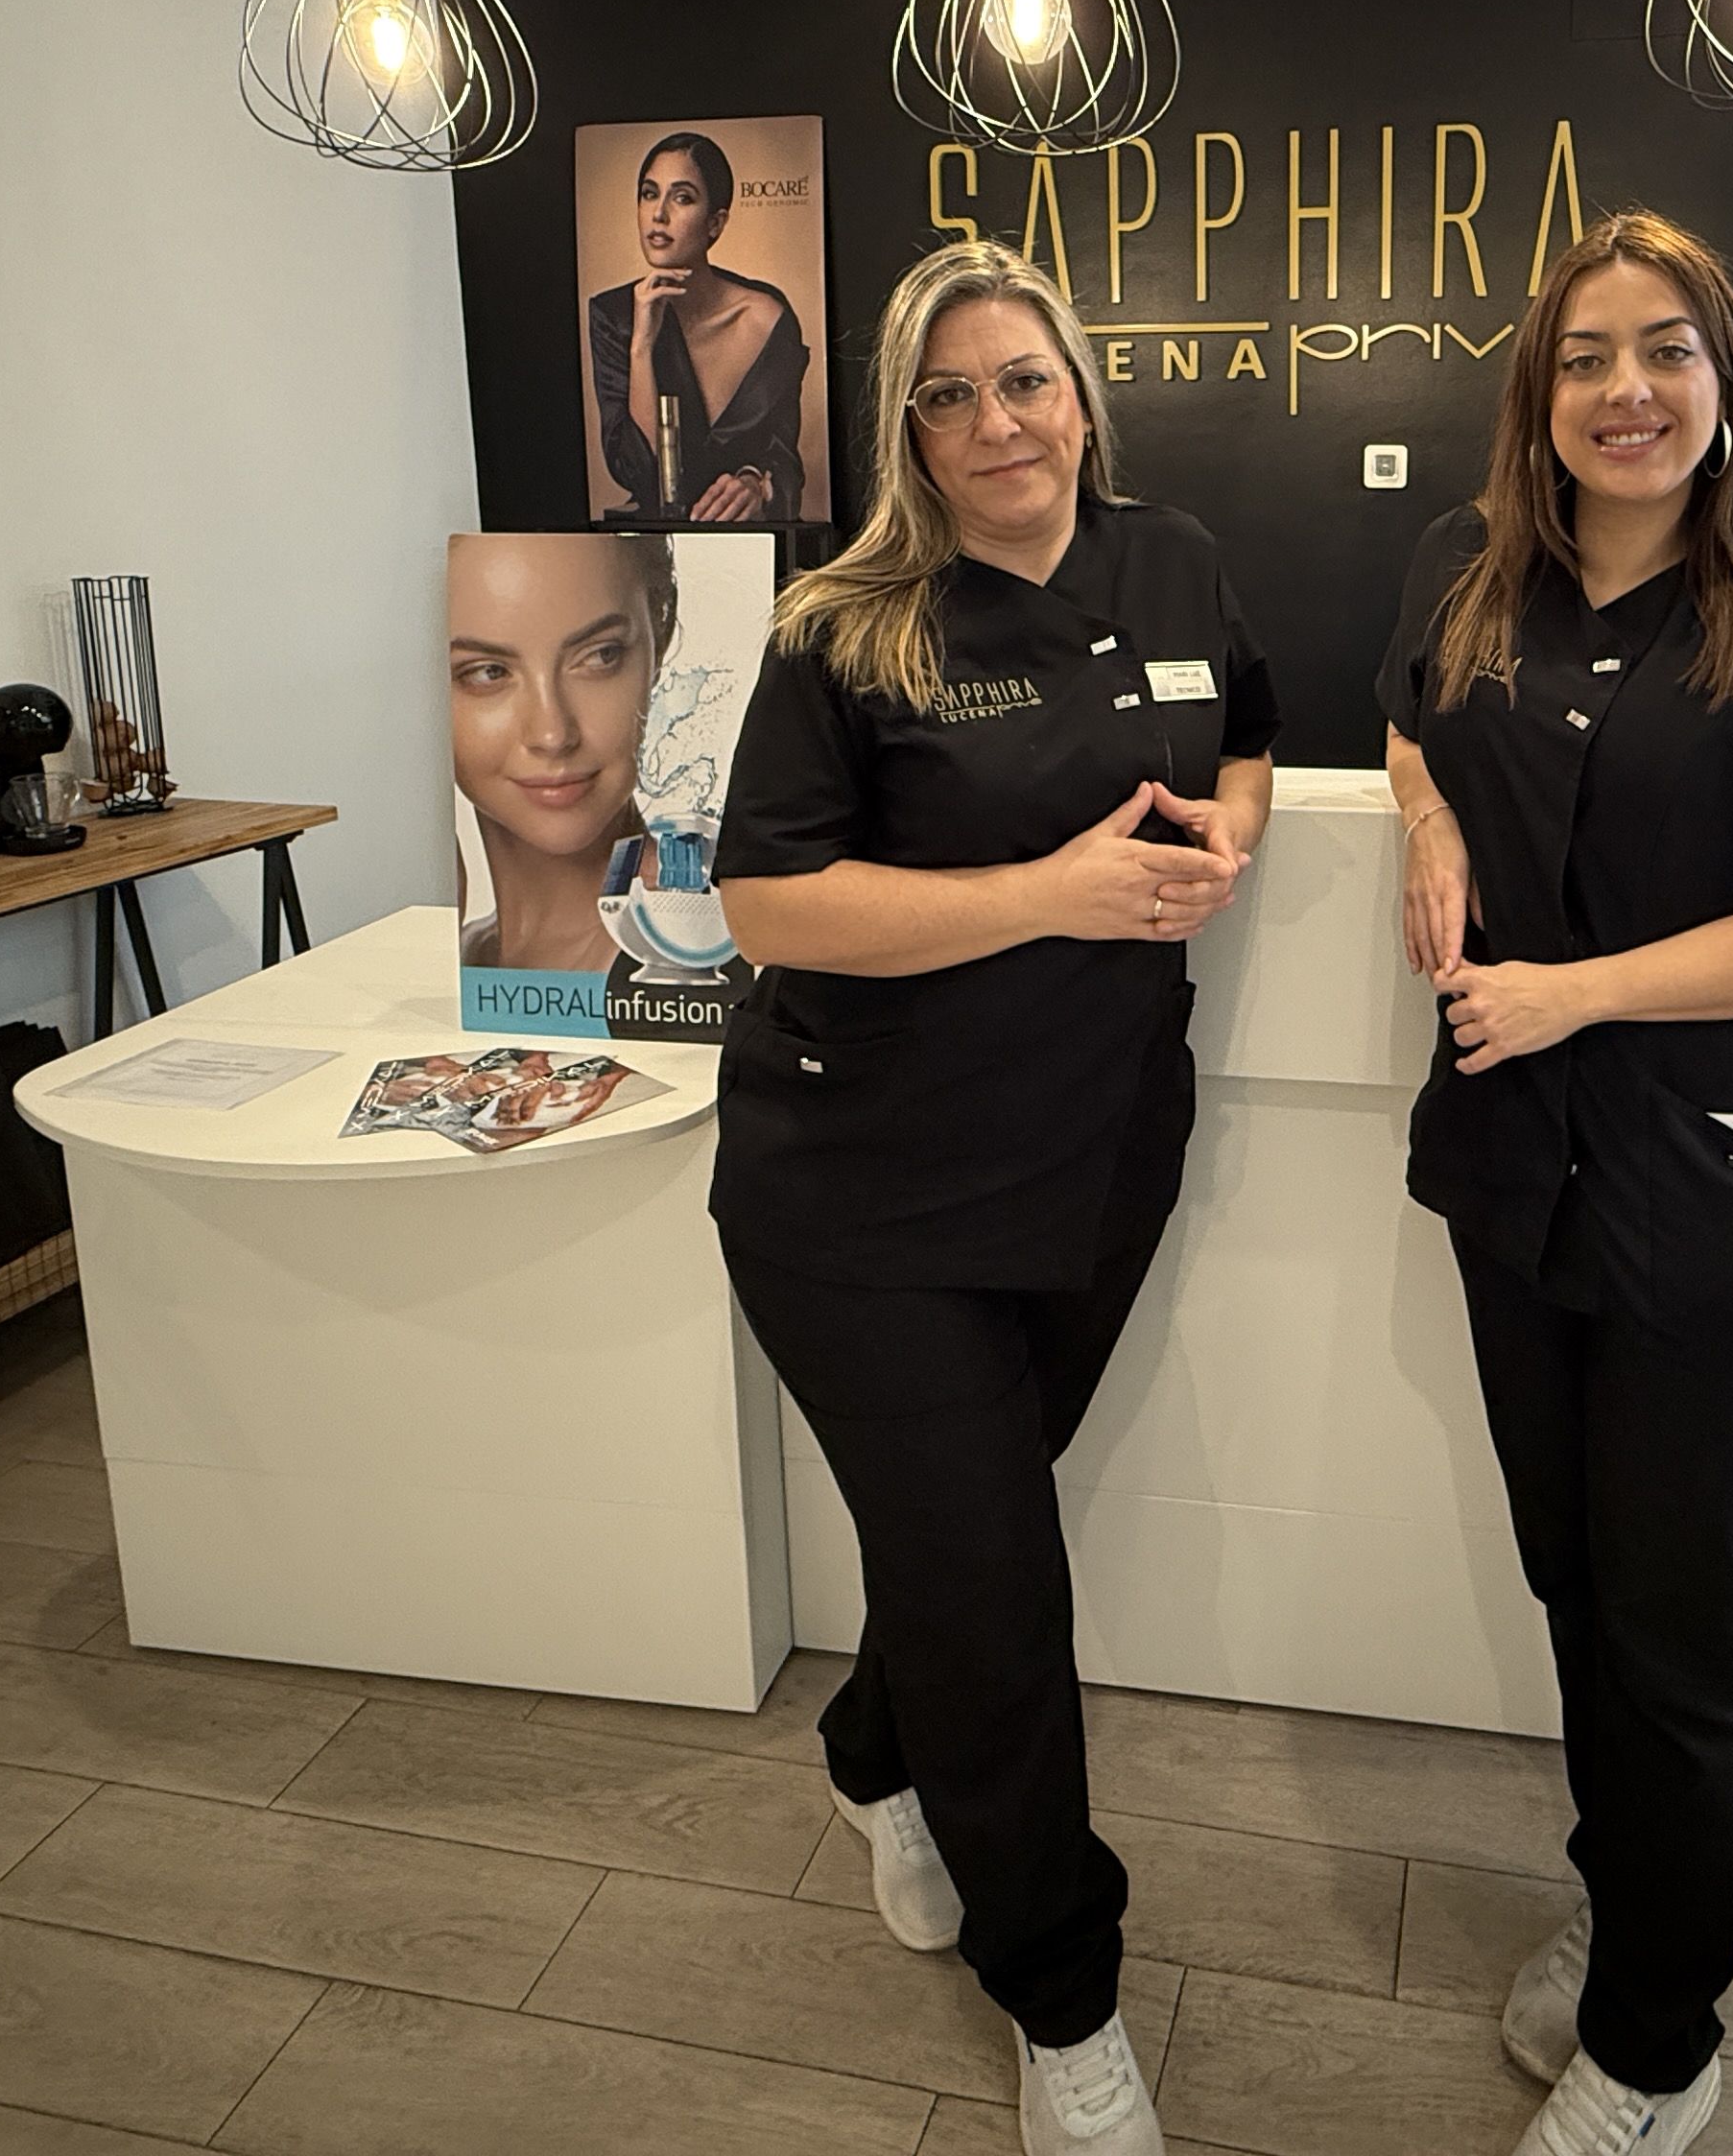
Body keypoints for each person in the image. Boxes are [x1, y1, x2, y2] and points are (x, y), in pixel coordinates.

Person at [712, 238, 1275, 2156]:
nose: (994, 421)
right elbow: (770, 901)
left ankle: (876, 1748)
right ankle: (1066, 2003)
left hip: (1098, 1151)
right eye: (946, 394)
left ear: (1080, 392)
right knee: (1001, 1595)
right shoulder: (843, 625)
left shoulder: (1172, 559)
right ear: (907, 429)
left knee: (967, 1552)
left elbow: (1250, 728)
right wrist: (1049, 893)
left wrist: (1229, 837)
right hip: (860, 1190)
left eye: (1022, 378)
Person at [1380, 212, 1733, 2156]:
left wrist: (1574, 992)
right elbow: (1405, 720)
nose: (1626, 388)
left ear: (1726, 387)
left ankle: (1657, 2046)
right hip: (1517, 1182)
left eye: (1667, 350)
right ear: (1537, 394)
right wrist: (1427, 822)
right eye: (1587, 355)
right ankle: (1629, 1916)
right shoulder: (1468, 578)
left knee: (1682, 1640)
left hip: (1707, 1199)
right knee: (1578, 1589)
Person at [448, 529, 677, 976]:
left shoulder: (698, 953)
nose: (553, 735)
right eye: (488, 672)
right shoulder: (464, 951)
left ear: (660, 639)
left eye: (600, 656)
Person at [589, 130, 814, 519]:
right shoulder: (615, 315)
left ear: (715, 223)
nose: (659, 215)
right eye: (649, 193)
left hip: (750, 540)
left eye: (682, 198)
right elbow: (638, 474)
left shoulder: (767, 318)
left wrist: (756, 485)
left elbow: (783, 459)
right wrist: (641, 346)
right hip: (655, 543)